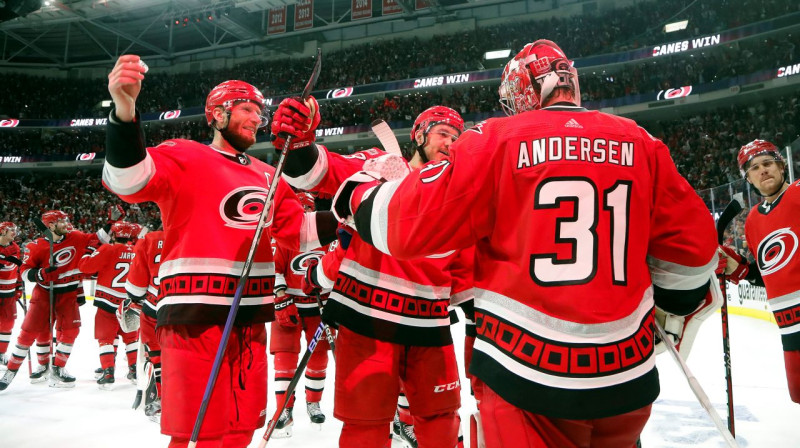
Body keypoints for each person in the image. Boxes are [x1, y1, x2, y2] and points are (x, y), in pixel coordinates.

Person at [336, 39, 720, 447]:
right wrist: (670, 309)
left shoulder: (497, 139)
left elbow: (409, 224)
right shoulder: (640, 141)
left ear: (523, 89)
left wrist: (357, 193)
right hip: (626, 377)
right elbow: (693, 255)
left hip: (526, 372)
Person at [103, 54, 338, 447]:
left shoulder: (270, 175)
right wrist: (124, 112)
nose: (256, 117)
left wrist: (357, 211)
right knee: (198, 432)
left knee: (240, 430)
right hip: (194, 320)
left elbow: (300, 231)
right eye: (245, 108)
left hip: (248, 320)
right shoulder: (185, 154)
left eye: (259, 111)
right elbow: (127, 180)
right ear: (216, 114)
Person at [274, 98, 473, 448]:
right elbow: (310, 173)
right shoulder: (379, 163)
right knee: (366, 427)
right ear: (419, 136)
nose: (450, 143)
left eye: (457, 137)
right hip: (369, 320)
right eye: (443, 133)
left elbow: (463, 268)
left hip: (431, 323)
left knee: (443, 422)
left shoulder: (457, 192)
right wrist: (301, 141)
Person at [718, 139, 800, 404]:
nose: (763, 170)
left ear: (781, 166)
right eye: (755, 167)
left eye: (768, 163)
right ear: (749, 178)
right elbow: (768, 273)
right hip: (788, 326)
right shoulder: (753, 219)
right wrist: (738, 269)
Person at [0, 210, 107, 390]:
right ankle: (11, 370)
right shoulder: (36, 246)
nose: (66, 224)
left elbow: (98, 239)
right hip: (44, 294)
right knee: (28, 333)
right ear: (50, 225)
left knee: (71, 331)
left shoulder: (77, 237)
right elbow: (25, 272)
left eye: (66, 220)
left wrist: (111, 222)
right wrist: (40, 274)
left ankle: (58, 368)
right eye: (62, 221)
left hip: (68, 294)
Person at [270, 192, 336, 438]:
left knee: (318, 358)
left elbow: (336, 269)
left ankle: (313, 402)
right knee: (284, 360)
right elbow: (274, 270)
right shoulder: (283, 237)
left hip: (319, 308)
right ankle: (283, 410)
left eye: (308, 210)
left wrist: (334, 300)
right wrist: (280, 297)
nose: (306, 216)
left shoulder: (328, 237)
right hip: (290, 305)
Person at [78, 221, 139, 389]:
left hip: (107, 302)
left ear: (114, 234)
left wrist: (89, 250)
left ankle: (108, 372)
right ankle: (134, 370)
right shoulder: (137, 250)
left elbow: (85, 267)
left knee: (105, 338)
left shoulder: (107, 249)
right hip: (129, 301)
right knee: (131, 337)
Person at [125, 225, 165, 421]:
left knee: (157, 356)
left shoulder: (149, 239)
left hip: (154, 309)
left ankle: (157, 399)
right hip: (189, 309)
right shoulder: (196, 236)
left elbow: (135, 288)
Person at [0, 222, 23, 368]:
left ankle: (1, 353)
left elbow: (18, 268)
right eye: (11, 230)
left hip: (9, 292)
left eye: (15, 230)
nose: (14, 233)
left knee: (8, 324)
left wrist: (18, 285)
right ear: (2, 232)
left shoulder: (15, 247)